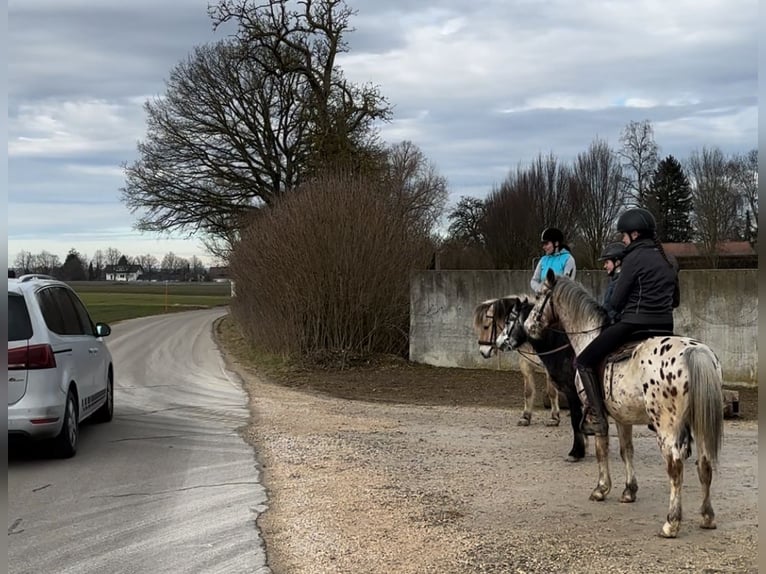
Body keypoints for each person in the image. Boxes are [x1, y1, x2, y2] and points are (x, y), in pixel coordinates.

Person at [576, 208, 680, 436]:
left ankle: (596, 417)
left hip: (633, 325)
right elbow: (675, 301)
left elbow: (616, 300)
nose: (622, 239)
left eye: (624, 235)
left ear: (634, 234)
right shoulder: (670, 259)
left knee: (583, 361)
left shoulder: (632, 258)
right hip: (666, 328)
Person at [530, 228, 576, 294]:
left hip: (559, 300)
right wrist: (540, 289)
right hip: (542, 298)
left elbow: (567, 285)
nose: (543, 247)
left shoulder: (568, 259)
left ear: (556, 243)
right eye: (543, 244)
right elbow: (534, 281)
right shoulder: (543, 260)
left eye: (546, 244)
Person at [598, 241, 625, 323]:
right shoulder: (613, 280)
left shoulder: (622, 282)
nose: (604, 266)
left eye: (607, 262)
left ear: (617, 262)